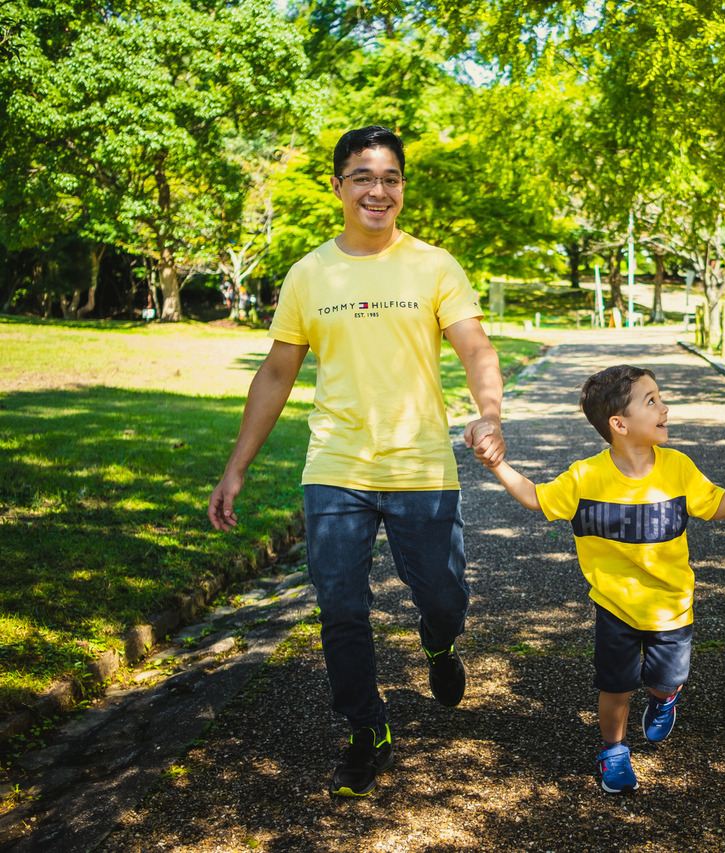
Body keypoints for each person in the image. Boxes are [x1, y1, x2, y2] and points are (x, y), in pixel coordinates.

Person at [207, 125, 505, 799]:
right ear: (339, 186)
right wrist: (236, 467)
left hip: (420, 464)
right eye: (363, 177)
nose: (379, 189)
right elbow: (278, 371)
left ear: (403, 187)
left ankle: (438, 641)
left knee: (443, 596)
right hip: (336, 463)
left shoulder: (434, 265)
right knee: (340, 605)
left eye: (391, 177)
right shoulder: (310, 274)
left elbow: (477, 348)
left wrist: (489, 412)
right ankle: (367, 729)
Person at [479, 365, 725, 794]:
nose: (665, 407)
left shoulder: (677, 467)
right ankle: (613, 750)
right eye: (651, 401)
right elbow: (535, 496)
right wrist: (498, 465)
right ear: (619, 425)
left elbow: (713, 505)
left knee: (667, 680)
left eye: (660, 397)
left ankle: (664, 700)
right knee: (615, 687)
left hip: (672, 605)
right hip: (614, 605)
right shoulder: (585, 477)